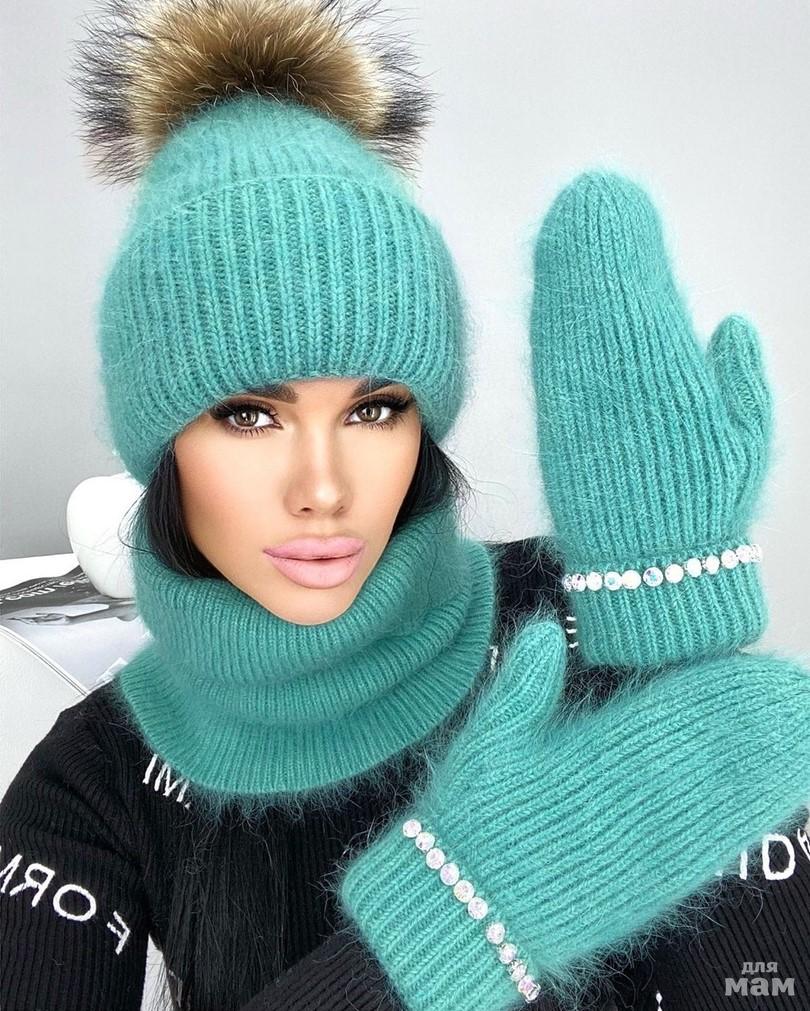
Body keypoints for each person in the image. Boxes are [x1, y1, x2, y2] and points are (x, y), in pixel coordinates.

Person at [1, 1, 809, 1010]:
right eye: (249, 415)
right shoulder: (93, 783)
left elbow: (766, 980)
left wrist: (673, 666)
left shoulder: (593, 615)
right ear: (162, 447)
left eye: (374, 408)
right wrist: (453, 925)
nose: (323, 488)